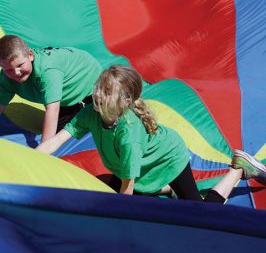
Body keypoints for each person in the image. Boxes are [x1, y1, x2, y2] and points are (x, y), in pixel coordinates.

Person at [37, 65, 266, 200]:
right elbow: (56, 140)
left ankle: (238, 170)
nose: (97, 95)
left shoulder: (128, 135)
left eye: (106, 92)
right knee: (107, 184)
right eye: (98, 87)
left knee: (201, 214)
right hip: (139, 166)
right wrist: (29, 160)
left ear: (125, 100)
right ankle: (167, 188)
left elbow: (126, 193)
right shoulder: (90, 114)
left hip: (168, 159)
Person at [0, 35, 102, 142]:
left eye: (20, 65)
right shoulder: (6, 78)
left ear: (30, 55)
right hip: (66, 96)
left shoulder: (47, 71)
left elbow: (52, 109)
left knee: (77, 135)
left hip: (90, 86)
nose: (16, 72)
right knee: (58, 136)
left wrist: (43, 151)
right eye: (9, 69)